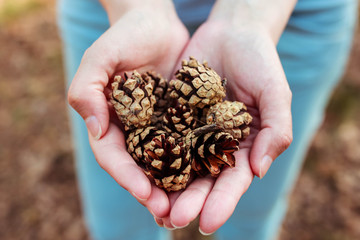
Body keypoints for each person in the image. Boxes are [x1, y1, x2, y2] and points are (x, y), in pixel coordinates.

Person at [57, 0, 358, 239]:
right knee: (120, 227)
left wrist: (247, 16)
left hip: (292, 14)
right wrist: (137, 7)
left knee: (251, 219)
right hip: (112, 11)